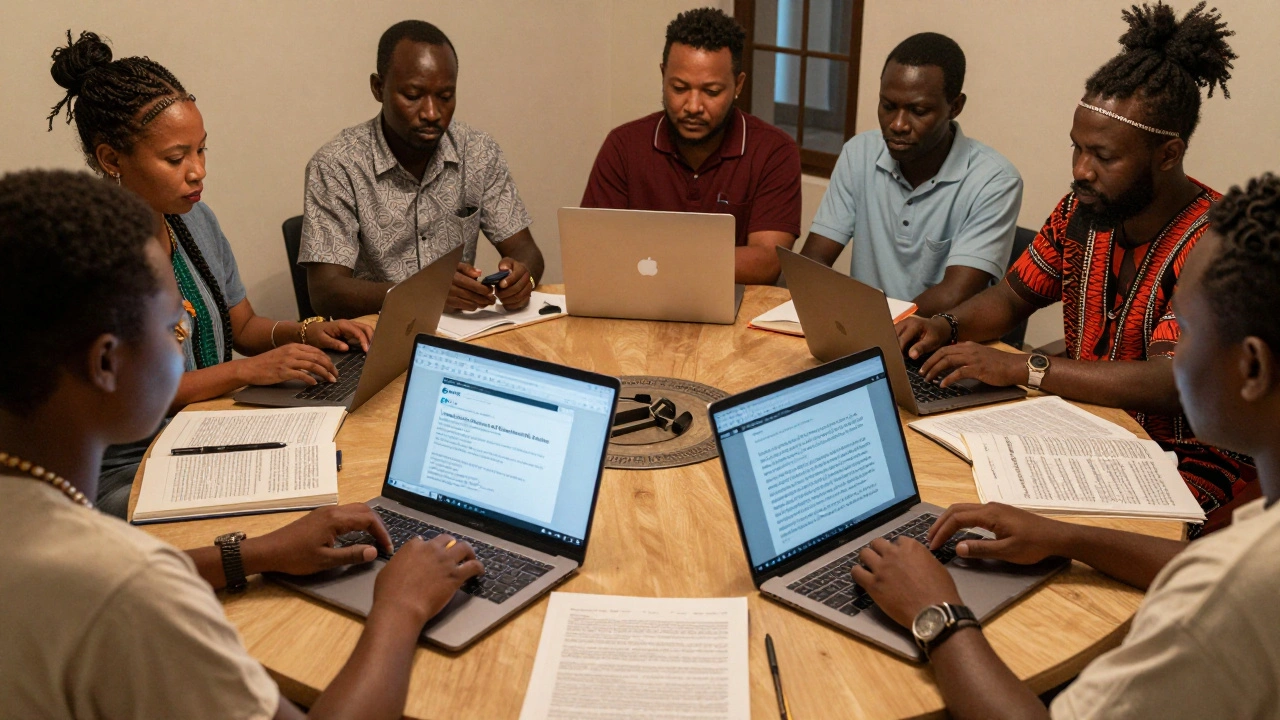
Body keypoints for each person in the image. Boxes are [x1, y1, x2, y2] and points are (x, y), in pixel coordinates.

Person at [0, 168, 485, 719]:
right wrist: (400, 608)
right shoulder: (130, 591)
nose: (182, 341)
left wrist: (248, 553)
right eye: (173, 329)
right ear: (107, 363)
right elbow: (114, 588)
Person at [852, 172, 1280, 719]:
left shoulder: (1224, 596)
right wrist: (1066, 536)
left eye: (1188, 328)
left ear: (1252, 367)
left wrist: (936, 613)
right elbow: (1198, 559)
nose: (1173, 347)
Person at [895, 2, 1253, 526]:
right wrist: (945, 325)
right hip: (1085, 436)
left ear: (1169, 154)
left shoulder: (1217, 243)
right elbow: (1014, 295)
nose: (1080, 170)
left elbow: (1177, 382)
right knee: (948, 484)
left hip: (1190, 463)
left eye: (1103, 156)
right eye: (1076, 149)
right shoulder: (1082, 212)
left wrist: (1027, 367)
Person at [46, 31, 373, 518]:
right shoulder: (86, 258)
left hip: (208, 435)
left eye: (201, 150)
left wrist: (307, 331)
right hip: (126, 470)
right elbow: (132, 396)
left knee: (341, 468)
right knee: (291, 510)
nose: (197, 171)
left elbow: (241, 326)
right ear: (110, 159)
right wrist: (246, 371)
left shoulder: (194, 220)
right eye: (176, 158)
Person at [300, 20, 545, 317]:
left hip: (459, 333)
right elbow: (326, 292)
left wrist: (523, 278)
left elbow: (526, 250)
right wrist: (426, 292)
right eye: (413, 96)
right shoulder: (338, 165)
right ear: (378, 88)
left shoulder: (478, 151)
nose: (431, 113)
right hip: (372, 339)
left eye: (445, 97)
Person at [801, 33, 1023, 316]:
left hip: (941, 343)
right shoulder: (859, 153)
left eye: (918, 111)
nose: (897, 124)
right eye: (888, 106)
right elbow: (814, 259)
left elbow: (956, 293)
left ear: (955, 107)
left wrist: (877, 328)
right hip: (864, 334)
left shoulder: (995, 181)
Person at [581, 7, 802, 285]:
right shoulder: (624, 146)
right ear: (663, 76)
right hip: (639, 303)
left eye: (711, 92)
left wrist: (656, 259)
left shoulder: (773, 151)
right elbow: (593, 249)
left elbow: (767, 261)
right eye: (679, 88)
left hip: (735, 311)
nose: (693, 106)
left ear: (738, 85)